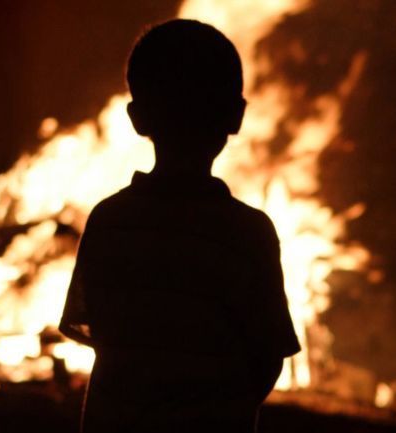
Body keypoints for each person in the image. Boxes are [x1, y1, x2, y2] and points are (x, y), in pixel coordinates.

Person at [59, 19, 300, 433]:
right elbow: (267, 353)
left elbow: (97, 336)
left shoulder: (109, 220)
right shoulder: (248, 233)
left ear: (137, 119)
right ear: (235, 117)